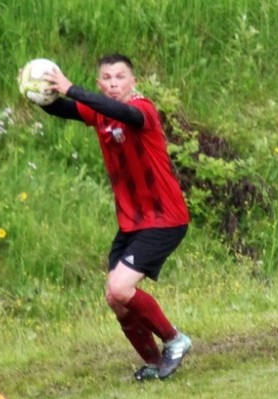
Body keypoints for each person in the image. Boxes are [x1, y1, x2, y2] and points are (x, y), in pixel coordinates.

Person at [38, 53, 192, 381]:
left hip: (165, 218)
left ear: (133, 82)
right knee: (116, 299)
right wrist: (37, 90)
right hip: (131, 223)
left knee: (121, 288)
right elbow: (60, 108)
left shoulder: (142, 109)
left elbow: (122, 113)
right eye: (107, 78)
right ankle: (155, 364)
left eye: (120, 77)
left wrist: (71, 88)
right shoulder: (99, 112)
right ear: (99, 83)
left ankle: (175, 340)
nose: (113, 83)